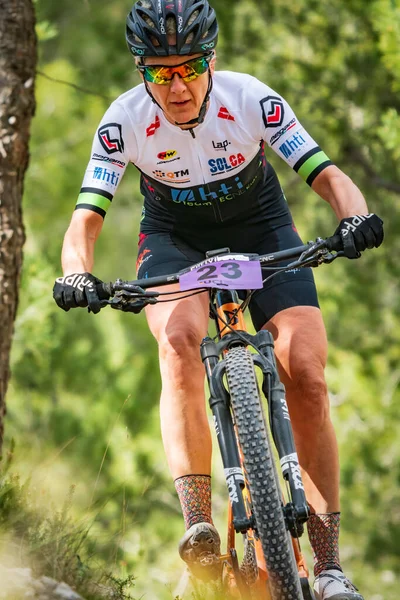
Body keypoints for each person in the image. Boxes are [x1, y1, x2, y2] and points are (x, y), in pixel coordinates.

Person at [53, 1, 384, 598]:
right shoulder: (122, 121)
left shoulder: (252, 98)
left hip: (262, 228)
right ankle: (199, 524)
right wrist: (77, 273)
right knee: (178, 341)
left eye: (190, 67)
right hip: (175, 240)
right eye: (160, 72)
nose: (177, 85)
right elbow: (85, 222)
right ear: (140, 72)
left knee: (304, 369)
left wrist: (354, 218)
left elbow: (328, 176)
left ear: (212, 61)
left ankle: (331, 564)